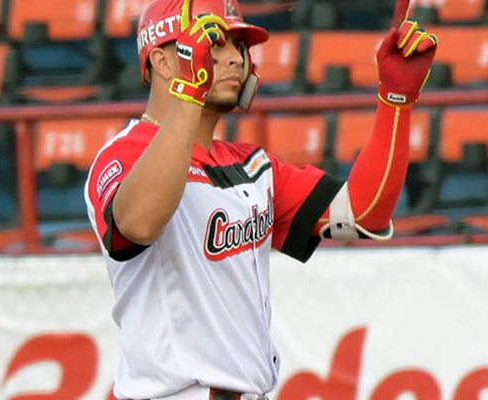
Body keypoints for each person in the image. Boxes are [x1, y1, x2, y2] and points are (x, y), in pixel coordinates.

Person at [84, 0, 437, 398]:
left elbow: (363, 213)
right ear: (164, 62)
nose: (236, 58)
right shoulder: (122, 154)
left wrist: (395, 101)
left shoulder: (251, 164)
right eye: (215, 43)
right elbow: (139, 224)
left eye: (239, 46)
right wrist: (188, 95)